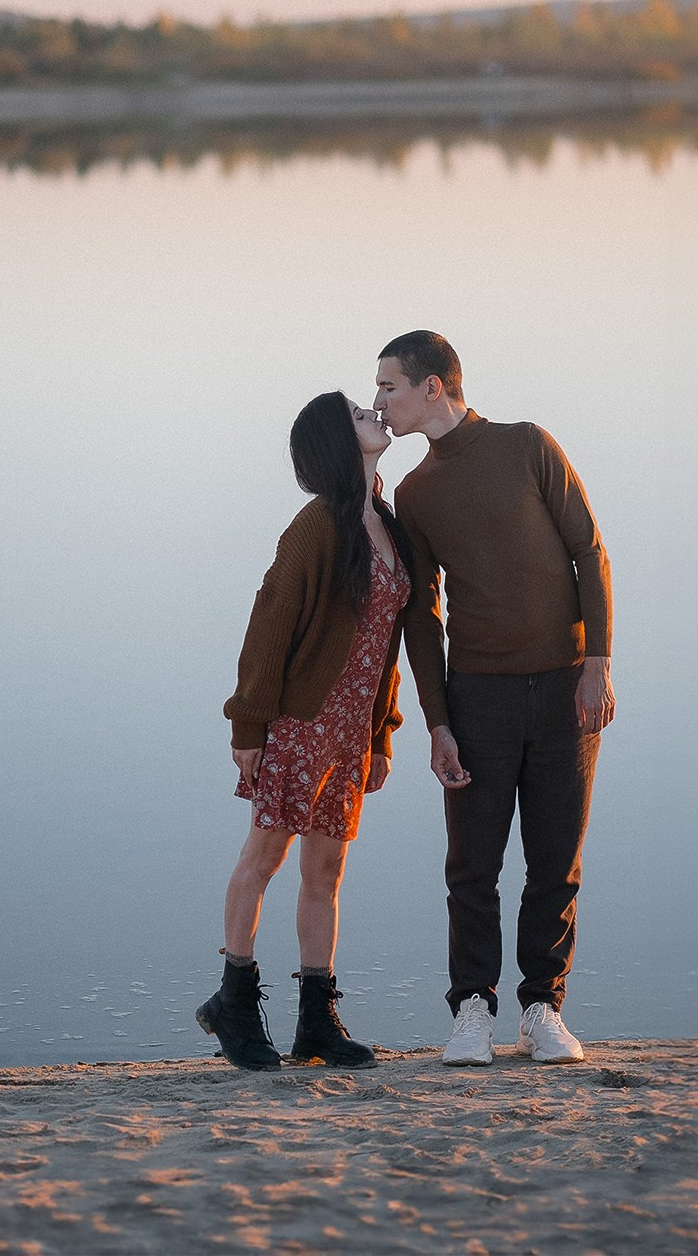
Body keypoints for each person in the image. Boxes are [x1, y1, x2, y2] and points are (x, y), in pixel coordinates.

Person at [374, 331, 614, 1067]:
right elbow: (422, 615)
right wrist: (437, 722)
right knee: (473, 867)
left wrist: (597, 663)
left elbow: (589, 550)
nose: (379, 402)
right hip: (478, 695)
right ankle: (472, 1009)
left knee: (555, 862)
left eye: (389, 387)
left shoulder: (527, 446)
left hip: (566, 687)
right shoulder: (414, 493)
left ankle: (542, 1008)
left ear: (433, 388)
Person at [197, 390, 411, 1070]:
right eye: (358, 414)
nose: (373, 412)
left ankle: (316, 1020)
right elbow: (269, 624)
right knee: (264, 858)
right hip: (299, 724)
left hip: (349, 733)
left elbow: (385, 646)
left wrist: (380, 735)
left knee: (326, 871)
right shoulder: (316, 526)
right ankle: (233, 1001)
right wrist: (249, 725)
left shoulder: (385, 520)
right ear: (336, 442)